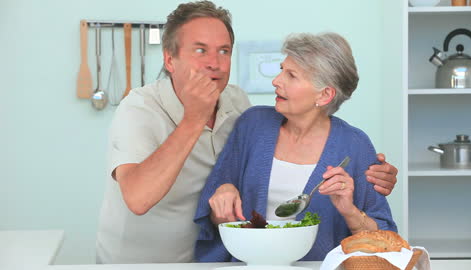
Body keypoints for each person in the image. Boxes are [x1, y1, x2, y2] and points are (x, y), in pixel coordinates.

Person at [96, 0, 398, 264]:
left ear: (325, 95)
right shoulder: (139, 109)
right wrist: (196, 121)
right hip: (142, 261)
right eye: (200, 50)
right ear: (169, 59)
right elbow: (139, 198)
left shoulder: (239, 104)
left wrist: (374, 175)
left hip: (207, 261)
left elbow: (384, 237)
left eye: (224, 51)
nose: (214, 63)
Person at [194, 32, 397, 262]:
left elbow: (385, 238)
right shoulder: (253, 124)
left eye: (291, 75)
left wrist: (349, 210)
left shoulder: (355, 145)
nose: (276, 81)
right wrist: (223, 193)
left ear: (325, 94)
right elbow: (211, 213)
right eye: (281, 69)